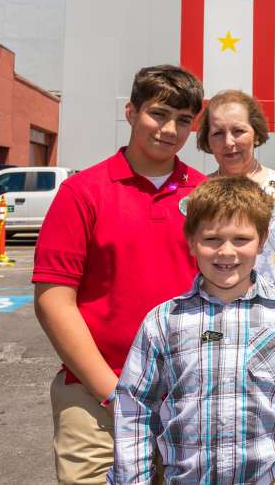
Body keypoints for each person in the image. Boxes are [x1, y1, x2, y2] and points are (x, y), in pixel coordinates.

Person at [32, 65, 205, 484]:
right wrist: (113, 392)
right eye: (158, 113)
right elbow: (54, 300)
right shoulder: (82, 193)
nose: (169, 129)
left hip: (189, 399)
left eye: (183, 120)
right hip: (97, 400)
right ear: (130, 112)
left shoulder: (204, 194)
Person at [111, 176, 275, 484]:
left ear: (262, 241)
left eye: (241, 239)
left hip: (273, 476)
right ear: (191, 241)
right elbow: (135, 408)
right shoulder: (164, 320)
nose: (226, 252)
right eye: (212, 239)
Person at [198, 89, 275, 298]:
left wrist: (268, 301)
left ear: (256, 134)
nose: (229, 142)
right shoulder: (198, 191)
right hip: (211, 316)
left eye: (238, 131)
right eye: (218, 133)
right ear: (208, 140)